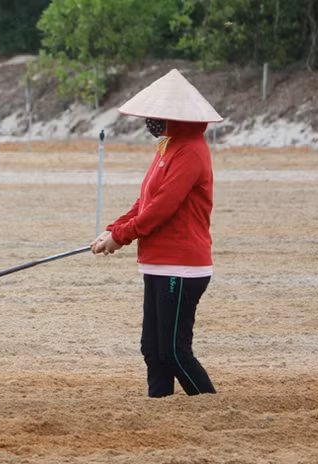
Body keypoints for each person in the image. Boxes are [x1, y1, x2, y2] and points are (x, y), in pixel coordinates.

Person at [91, 69, 222, 398]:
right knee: (152, 349)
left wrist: (121, 238)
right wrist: (114, 229)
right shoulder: (168, 147)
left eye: (156, 114)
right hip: (157, 263)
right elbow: (145, 200)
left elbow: (162, 207)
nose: (150, 119)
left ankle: (211, 409)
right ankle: (160, 411)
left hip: (182, 266)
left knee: (174, 352)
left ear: (173, 116)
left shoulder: (190, 150)